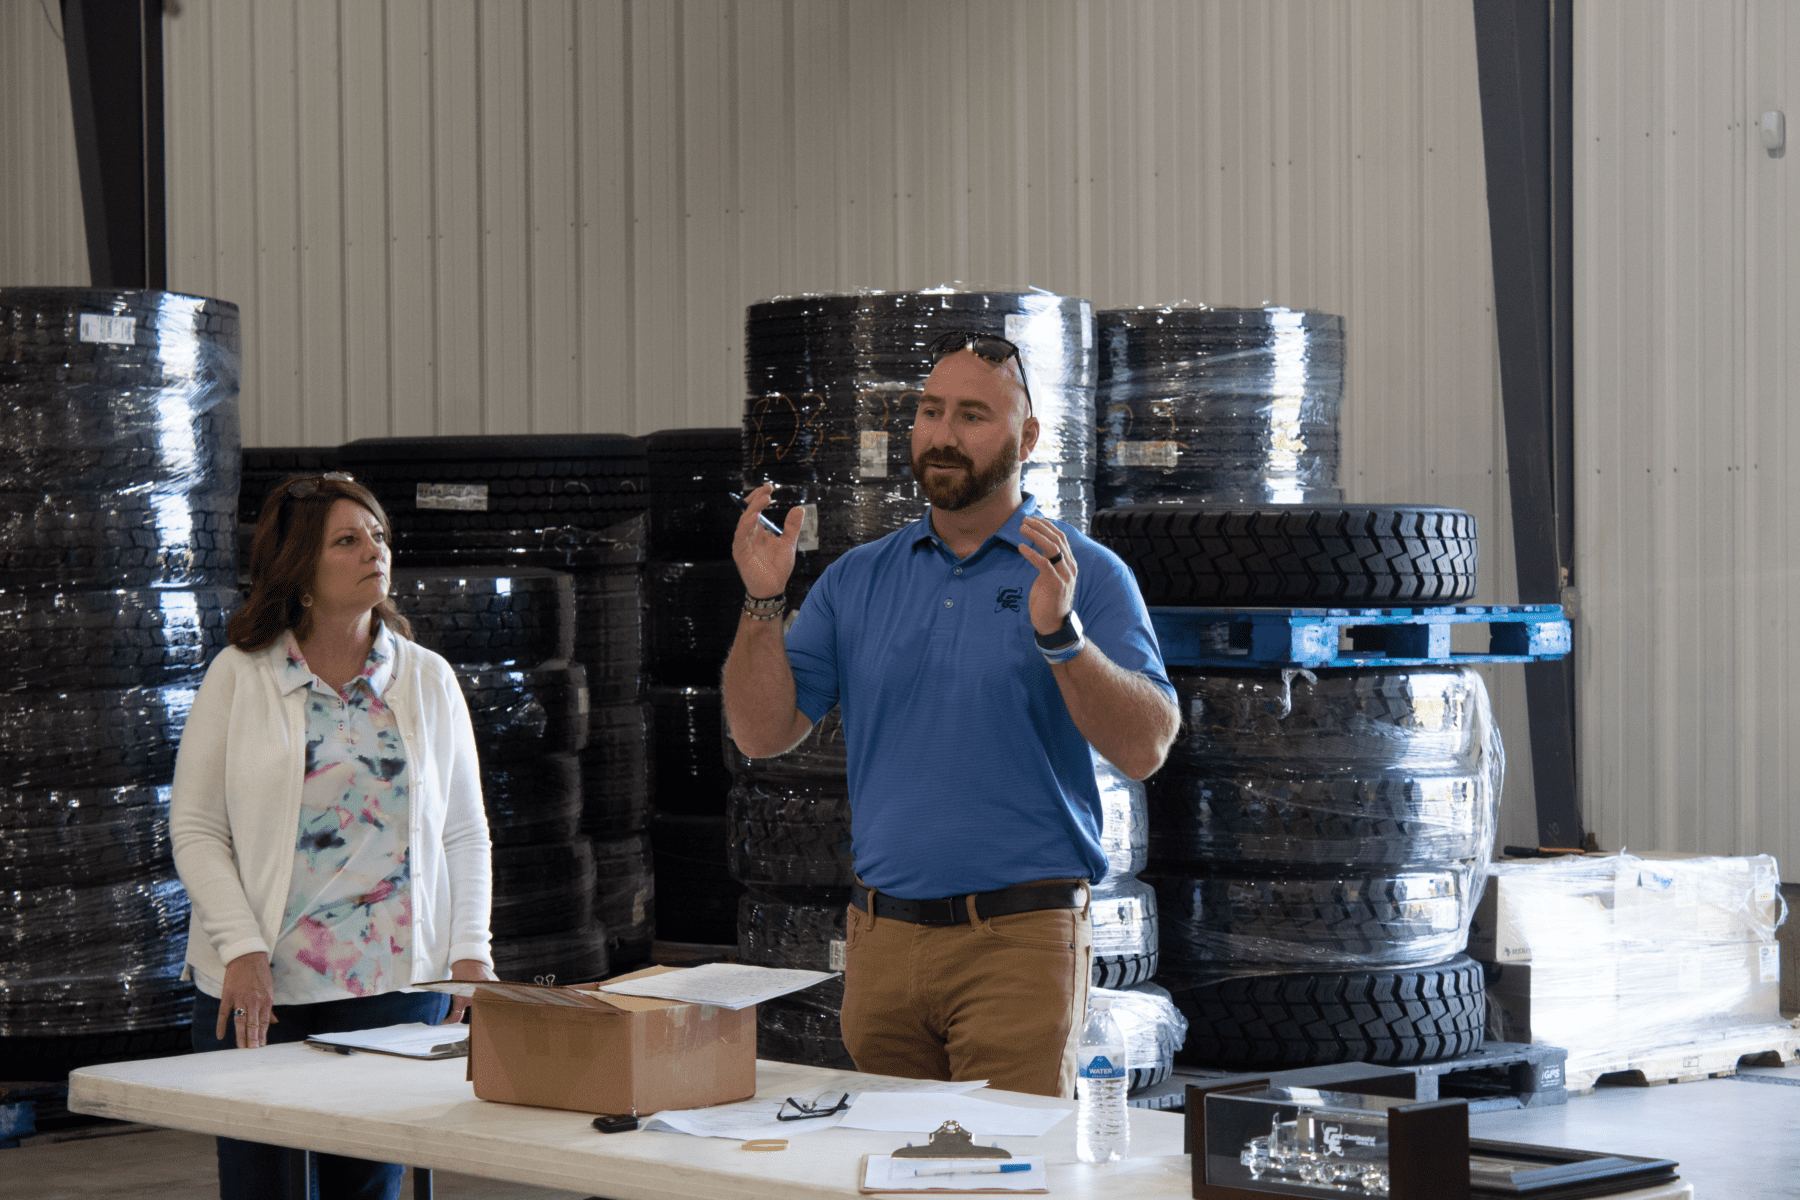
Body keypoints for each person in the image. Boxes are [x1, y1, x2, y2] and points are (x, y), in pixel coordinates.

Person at [723, 330, 1181, 1098]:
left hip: (1019, 943)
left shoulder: (1085, 574)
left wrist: (1061, 636)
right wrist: (764, 600)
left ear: (1025, 436)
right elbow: (762, 733)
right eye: (930, 412)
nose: (941, 435)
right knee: (885, 1175)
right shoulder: (856, 579)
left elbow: (1147, 748)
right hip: (883, 942)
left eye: (972, 415)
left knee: (1006, 1175)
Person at [171, 472, 495, 1200]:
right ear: (301, 574)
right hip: (260, 995)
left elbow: (465, 832)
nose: (373, 550)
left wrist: (470, 954)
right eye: (348, 541)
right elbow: (195, 827)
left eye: (377, 535)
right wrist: (241, 949)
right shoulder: (240, 676)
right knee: (263, 1190)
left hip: (391, 993)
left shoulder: (427, 680)